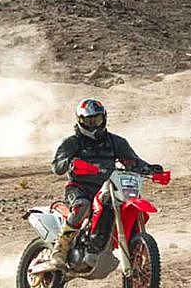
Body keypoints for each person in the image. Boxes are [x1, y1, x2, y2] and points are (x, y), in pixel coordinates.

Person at [37, 98, 162, 272]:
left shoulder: (116, 142)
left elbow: (132, 161)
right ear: (81, 121)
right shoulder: (73, 142)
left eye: (97, 120)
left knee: (123, 205)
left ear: (104, 118)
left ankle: (126, 249)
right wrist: (70, 164)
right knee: (83, 206)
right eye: (89, 121)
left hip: (109, 187)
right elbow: (56, 166)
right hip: (80, 188)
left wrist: (150, 169)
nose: (94, 125)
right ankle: (60, 250)